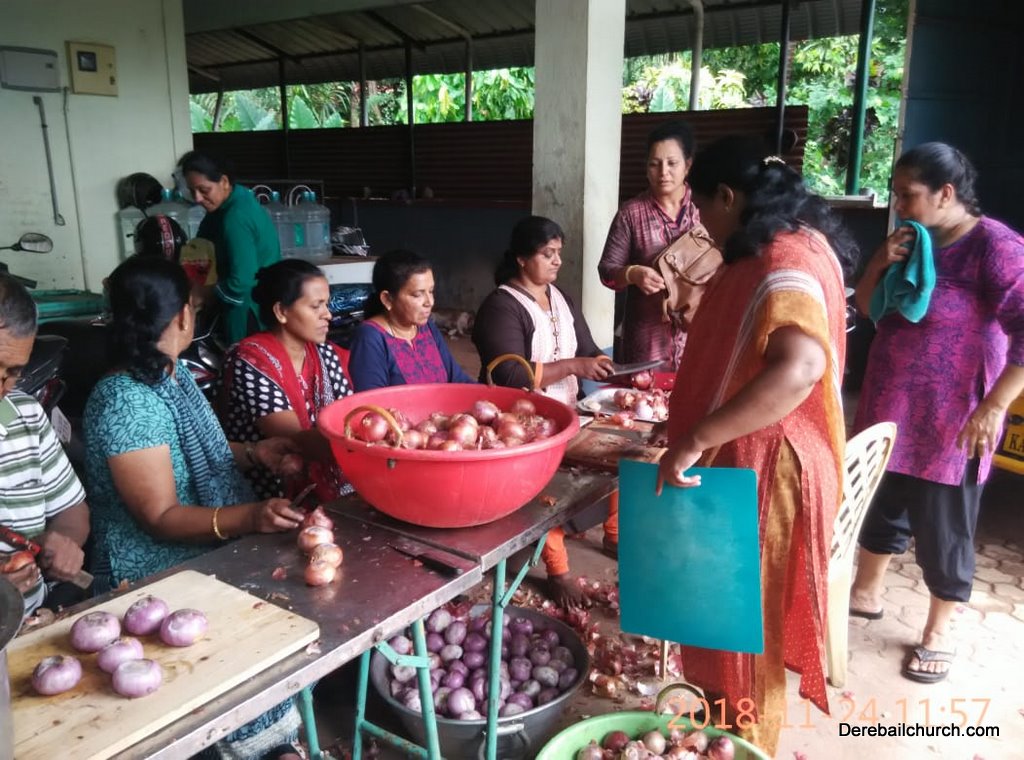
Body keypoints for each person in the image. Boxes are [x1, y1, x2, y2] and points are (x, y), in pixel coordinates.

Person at [657, 136, 851, 755]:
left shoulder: (780, 258)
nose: (701, 224)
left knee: (743, 627)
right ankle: (724, 724)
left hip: (765, 469)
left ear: (727, 196)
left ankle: (746, 743)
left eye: (701, 208)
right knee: (726, 615)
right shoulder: (795, 239)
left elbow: (800, 368)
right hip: (754, 459)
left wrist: (696, 437)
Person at [83, 256, 306, 760]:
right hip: (149, 577)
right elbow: (159, 517)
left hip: (199, 552)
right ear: (183, 315)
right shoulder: (127, 400)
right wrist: (250, 517)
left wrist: (255, 453)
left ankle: (276, 744)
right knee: (241, 652)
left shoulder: (168, 375)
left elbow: (189, 456)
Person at [850, 143, 1024, 684]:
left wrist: (994, 406)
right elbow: (866, 308)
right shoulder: (911, 241)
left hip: (954, 412)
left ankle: (938, 630)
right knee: (880, 499)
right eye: (896, 195)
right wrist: (878, 262)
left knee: (945, 520)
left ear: (946, 193)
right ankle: (866, 591)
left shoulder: (995, 247)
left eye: (908, 195)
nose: (899, 206)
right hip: (891, 400)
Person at [472, 216, 616, 606]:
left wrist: (602, 363)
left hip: (568, 411)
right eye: (547, 253)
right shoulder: (501, 306)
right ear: (521, 258)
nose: (557, 261)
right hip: (524, 424)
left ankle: (614, 535)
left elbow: (586, 347)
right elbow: (510, 374)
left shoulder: (560, 297)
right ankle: (558, 571)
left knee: (618, 459)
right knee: (545, 494)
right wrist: (573, 366)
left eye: (558, 253)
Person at [220, 259, 354, 502]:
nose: (328, 315)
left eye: (326, 304)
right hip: (266, 497)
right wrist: (364, 441)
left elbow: (348, 413)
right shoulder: (251, 360)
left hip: (323, 484)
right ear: (281, 311)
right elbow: (295, 441)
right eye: (316, 306)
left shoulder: (324, 353)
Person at [0, 273, 90, 618]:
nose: (3, 387)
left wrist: (62, 544)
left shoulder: (25, 415)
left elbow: (72, 511)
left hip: (33, 622)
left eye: (13, 372)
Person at [598, 120, 703, 369]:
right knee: (643, 393)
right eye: (654, 164)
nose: (663, 172)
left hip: (700, 335)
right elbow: (607, 271)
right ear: (646, 168)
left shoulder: (705, 207)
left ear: (688, 165)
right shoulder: (631, 214)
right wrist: (633, 273)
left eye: (672, 163)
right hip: (647, 342)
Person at [180, 151, 281, 344]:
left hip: (248, 309)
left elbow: (241, 281)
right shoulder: (227, 204)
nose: (198, 198)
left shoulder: (235, 218)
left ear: (224, 181)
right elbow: (201, 247)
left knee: (243, 357)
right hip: (250, 302)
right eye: (192, 191)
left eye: (204, 190)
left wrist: (205, 294)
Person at [347, 249, 473, 390]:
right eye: (418, 294)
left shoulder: (427, 328)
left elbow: (457, 379)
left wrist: (487, 395)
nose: (430, 302)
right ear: (387, 299)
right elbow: (372, 400)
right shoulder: (370, 338)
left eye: (431, 291)